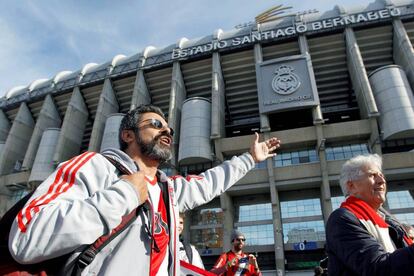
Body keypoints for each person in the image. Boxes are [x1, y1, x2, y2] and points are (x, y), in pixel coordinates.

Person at [8, 104, 280, 275]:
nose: (167, 131)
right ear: (128, 135)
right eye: (156, 125)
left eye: (169, 129)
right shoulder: (95, 166)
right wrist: (123, 195)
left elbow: (211, 182)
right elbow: (27, 237)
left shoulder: (169, 191)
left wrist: (250, 159)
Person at [326, 154, 414, 276]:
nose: (382, 180)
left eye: (381, 175)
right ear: (352, 186)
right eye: (372, 175)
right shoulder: (342, 219)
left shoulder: (389, 220)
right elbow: (377, 268)